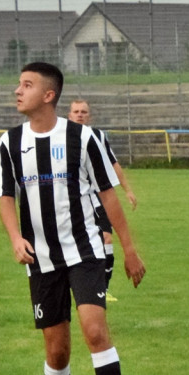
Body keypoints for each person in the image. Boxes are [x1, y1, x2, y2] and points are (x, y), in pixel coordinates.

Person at [0, 62, 146, 375]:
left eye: (26, 85)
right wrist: (15, 238)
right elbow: (5, 197)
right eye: (18, 84)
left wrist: (129, 251)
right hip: (41, 259)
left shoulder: (82, 138)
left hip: (86, 252)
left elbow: (109, 196)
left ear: (48, 95)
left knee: (95, 330)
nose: (17, 91)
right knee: (57, 349)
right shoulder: (9, 143)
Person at [67, 99, 138, 302]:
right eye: (76, 111)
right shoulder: (61, 137)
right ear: (69, 115)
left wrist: (127, 190)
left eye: (83, 112)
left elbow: (113, 164)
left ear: (89, 116)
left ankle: (101, 290)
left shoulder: (97, 136)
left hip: (99, 198)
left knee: (107, 238)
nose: (80, 115)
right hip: (75, 202)